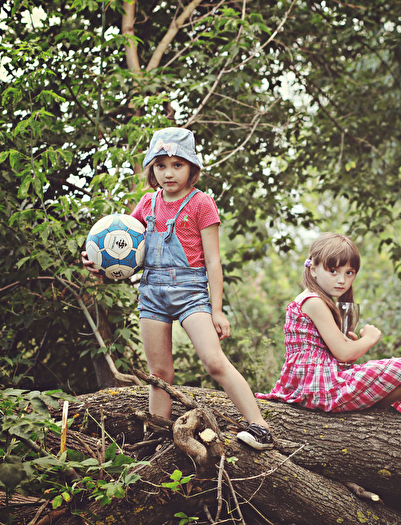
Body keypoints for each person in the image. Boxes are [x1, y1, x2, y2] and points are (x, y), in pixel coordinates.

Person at [82, 127, 273, 451]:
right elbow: (124, 247)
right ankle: (155, 439)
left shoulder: (201, 203)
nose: (168, 173)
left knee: (213, 361)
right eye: (161, 165)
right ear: (152, 168)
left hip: (191, 294)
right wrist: (97, 263)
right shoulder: (147, 203)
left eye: (177, 165)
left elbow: (213, 261)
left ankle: (260, 427)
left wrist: (216, 310)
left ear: (191, 167)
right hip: (152, 294)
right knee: (159, 373)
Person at [256, 233, 401, 416]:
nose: (342, 280)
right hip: (316, 385)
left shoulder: (314, 300)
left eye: (349, 273)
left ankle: (371, 414)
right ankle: (371, 414)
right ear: (313, 269)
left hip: (312, 382)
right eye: (333, 271)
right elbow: (342, 353)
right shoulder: (314, 301)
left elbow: (333, 354)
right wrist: (369, 339)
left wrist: (350, 346)